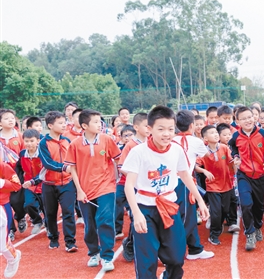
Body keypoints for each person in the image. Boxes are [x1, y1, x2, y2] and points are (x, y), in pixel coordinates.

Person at [122, 106, 209, 279]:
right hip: (145, 208)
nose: (166, 134)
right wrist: (137, 214)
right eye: (160, 129)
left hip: (170, 207)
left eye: (170, 129)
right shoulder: (138, 152)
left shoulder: (176, 150)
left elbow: (185, 175)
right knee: (146, 261)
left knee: (177, 257)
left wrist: (200, 200)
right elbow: (128, 185)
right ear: (149, 129)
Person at [66, 109, 121, 271]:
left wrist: (121, 179)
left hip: (106, 187)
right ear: (84, 125)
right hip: (85, 190)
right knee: (89, 224)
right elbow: (72, 168)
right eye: (95, 122)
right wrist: (79, 190)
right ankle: (93, 252)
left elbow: (118, 159)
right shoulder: (75, 144)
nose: (100, 124)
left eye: (100, 121)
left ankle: (107, 256)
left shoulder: (106, 139)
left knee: (105, 221)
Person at [229, 107, 264, 250]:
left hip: (260, 175)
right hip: (244, 174)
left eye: (249, 117)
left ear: (254, 118)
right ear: (237, 121)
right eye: (243, 118)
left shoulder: (262, 134)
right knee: (245, 203)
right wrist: (236, 157)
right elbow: (232, 148)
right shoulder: (236, 136)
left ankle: (257, 226)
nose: (247, 120)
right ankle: (249, 233)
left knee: (258, 205)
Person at [173, 110, 215, 260]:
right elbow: (206, 155)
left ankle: (195, 247)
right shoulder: (195, 142)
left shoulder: (171, 140)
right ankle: (172, 252)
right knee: (187, 217)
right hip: (183, 181)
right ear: (192, 125)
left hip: (173, 181)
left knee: (187, 213)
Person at [38, 111, 77, 252]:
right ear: (50, 125)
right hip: (49, 184)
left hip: (67, 183)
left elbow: (74, 159)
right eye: (60, 123)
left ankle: (70, 242)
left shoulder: (67, 141)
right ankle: (54, 238)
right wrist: (64, 167)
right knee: (50, 213)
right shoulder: (43, 143)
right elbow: (48, 163)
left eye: (64, 122)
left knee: (68, 212)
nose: (64, 125)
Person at [196, 125, 238, 245]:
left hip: (227, 184)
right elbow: (196, 166)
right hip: (212, 186)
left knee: (224, 210)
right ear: (205, 138)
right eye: (212, 133)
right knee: (216, 212)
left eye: (216, 132)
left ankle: (218, 224)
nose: (215, 134)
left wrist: (235, 165)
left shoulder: (224, 148)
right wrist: (204, 171)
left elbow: (231, 162)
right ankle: (214, 234)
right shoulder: (203, 152)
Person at [116, 112, 149, 261]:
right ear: (136, 127)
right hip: (134, 186)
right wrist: (136, 178)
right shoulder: (131, 145)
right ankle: (130, 243)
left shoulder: (151, 142)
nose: (149, 128)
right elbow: (122, 166)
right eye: (146, 125)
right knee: (137, 215)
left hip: (150, 186)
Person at [0, 109, 26, 240]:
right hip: (2, 173)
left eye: (12, 118)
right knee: (5, 203)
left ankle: (20, 216)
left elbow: (24, 153)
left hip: (17, 171)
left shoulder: (19, 136)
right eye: (6, 118)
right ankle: (10, 229)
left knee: (17, 200)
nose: (10, 120)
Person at [19, 129, 45, 235]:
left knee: (46, 207)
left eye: (31, 141)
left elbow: (45, 171)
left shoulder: (43, 153)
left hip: (44, 184)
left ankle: (49, 226)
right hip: (29, 186)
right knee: (28, 204)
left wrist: (34, 181)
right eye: (26, 141)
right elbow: (18, 169)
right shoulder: (22, 154)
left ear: (38, 141)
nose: (29, 144)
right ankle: (37, 221)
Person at [0, 159, 22, 278]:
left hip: (1, 207)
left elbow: (16, 185)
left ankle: (13, 258)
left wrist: (2, 183)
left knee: (2, 245)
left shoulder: (2, 166)